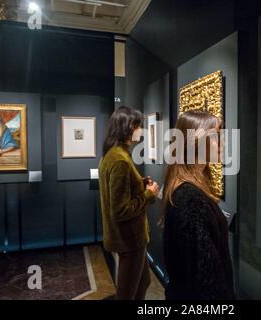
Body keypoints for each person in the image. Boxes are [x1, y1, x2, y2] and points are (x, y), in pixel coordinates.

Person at [160, 110, 235, 300]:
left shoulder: (186, 188)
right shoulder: (190, 199)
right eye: (216, 136)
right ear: (197, 142)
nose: (223, 143)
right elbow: (207, 280)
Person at [99, 106, 159, 300]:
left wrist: (138, 184)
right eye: (139, 126)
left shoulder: (112, 155)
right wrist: (149, 195)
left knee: (143, 282)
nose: (141, 131)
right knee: (127, 294)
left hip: (127, 237)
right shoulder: (120, 160)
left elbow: (116, 192)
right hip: (130, 239)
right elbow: (120, 209)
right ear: (128, 127)